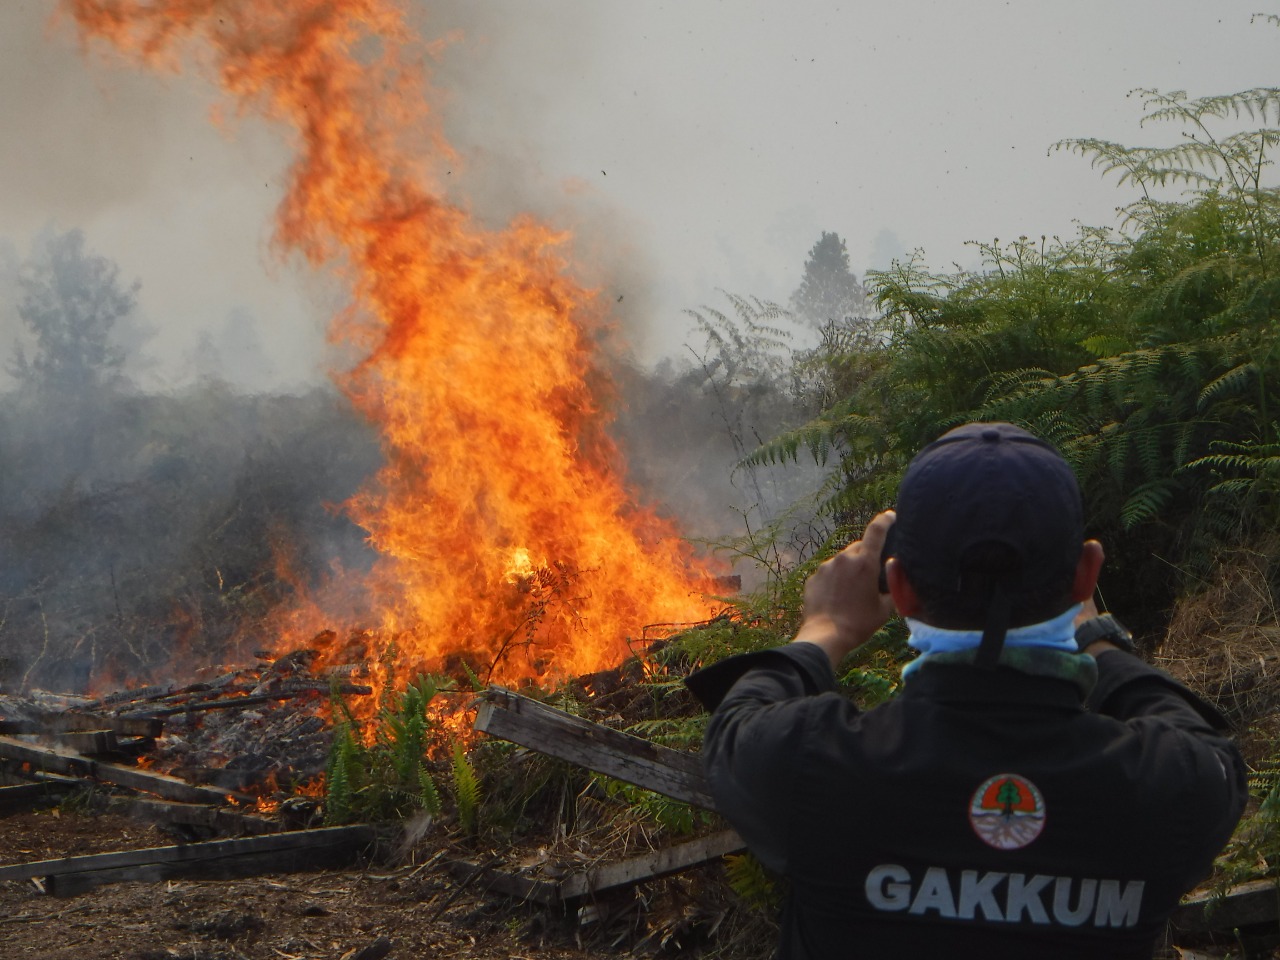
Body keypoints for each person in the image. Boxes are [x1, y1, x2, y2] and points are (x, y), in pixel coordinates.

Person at [686, 422, 1246, 960]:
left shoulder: (811, 765)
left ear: (899, 589)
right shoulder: (1173, 786)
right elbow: (1186, 729)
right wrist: (1097, 638)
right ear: (1087, 574)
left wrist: (824, 630)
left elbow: (740, 719)